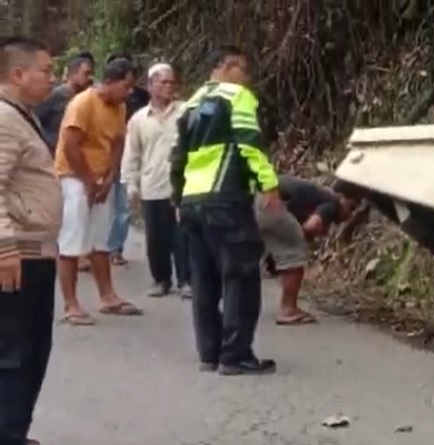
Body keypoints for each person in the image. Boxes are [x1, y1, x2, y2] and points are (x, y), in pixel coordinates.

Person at [171, 45, 281, 375]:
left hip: (193, 199)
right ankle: (235, 355)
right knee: (241, 276)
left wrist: (178, 198)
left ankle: (210, 353)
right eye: (245, 71)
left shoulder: (190, 104)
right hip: (226, 197)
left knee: (204, 279)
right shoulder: (236, 97)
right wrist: (268, 182)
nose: (248, 80)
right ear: (229, 66)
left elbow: (177, 157)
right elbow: (249, 143)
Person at [0, 36, 61, 445]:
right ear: (18, 74)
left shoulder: (22, 116)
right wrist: (4, 247)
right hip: (19, 253)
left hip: (34, 251)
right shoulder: (4, 119)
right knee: (16, 354)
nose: (51, 78)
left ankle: (13, 430)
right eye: (45, 70)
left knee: (30, 350)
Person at [54, 58, 143, 326]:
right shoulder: (83, 104)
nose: (129, 92)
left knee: (100, 239)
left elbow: (117, 143)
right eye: (126, 86)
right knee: (72, 240)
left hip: (101, 178)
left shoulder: (119, 107)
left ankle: (108, 296)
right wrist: (89, 181)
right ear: (111, 81)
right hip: (74, 177)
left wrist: (109, 177)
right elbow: (71, 146)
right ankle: (71, 305)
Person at [121, 63, 191, 298]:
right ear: (150, 85)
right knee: (156, 238)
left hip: (183, 186)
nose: (168, 87)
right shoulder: (139, 120)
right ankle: (161, 279)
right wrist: (131, 185)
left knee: (183, 235)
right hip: (152, 186)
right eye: (163, 82)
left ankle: (186, 280)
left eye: (172, 82)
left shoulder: (186, 112)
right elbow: (132, 154)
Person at [255, 174, 360, 325]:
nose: (351, 215)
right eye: (351, 207)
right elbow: (311, 226)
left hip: (255, 199)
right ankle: (288, 309)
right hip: (272, 201)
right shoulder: (332, 201)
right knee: (295, 250)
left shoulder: (316, 195)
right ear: (341, 197)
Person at [105, 52, 150, 267]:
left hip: (127, 155)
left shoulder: (140, 96)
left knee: (122, 207)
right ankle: (95, 248)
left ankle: (115, 248)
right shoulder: (96, 99)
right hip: (102, 158)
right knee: (103, 207)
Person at [34, 55, 93, 152]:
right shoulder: (57, 95)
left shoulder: (85, 98)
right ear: (74, 74)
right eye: (86, 74)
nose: (90, 78)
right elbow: (36, 117)